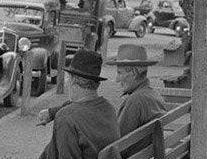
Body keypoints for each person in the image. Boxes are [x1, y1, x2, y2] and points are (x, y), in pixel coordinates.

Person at [37, 42, 165, 137]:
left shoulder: (136, 101)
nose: (117, 79)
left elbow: (116, 141)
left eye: (120, 73)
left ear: (133, 73)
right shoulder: (152, 95)